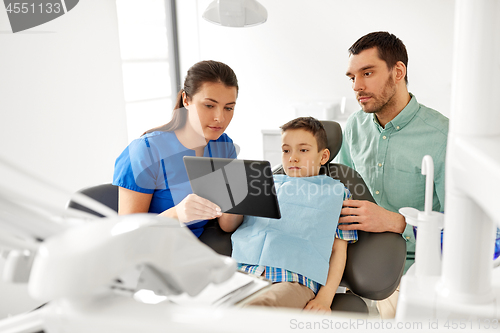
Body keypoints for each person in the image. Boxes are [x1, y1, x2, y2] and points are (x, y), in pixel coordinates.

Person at [337, 31, 449, 317]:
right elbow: (340, 189)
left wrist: (397, 223)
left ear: (398, 71)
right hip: (351, 257)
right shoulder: (354, 126)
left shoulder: (443, 136)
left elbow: (460, 231)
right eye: (352, 77)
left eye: (368, 73)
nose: (357, 86)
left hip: (410, 269)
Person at [219, 117, 357, 312]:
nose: (292, 157)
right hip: (244, 271)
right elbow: (227, 225)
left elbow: (338, 251)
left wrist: (325, 298)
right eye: (286, 150)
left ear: (323, 156)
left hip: (294, 280)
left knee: (257, 308)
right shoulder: (261, 183)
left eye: (303, 150)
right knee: (207, 303)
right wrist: (235, 199)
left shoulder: (338, 195)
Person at [113, 60, 243, 238]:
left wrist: (240, 198)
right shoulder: (146, 150)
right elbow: (127, 234)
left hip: (198, 251)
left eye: (228, 108)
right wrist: (176, 214)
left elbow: (227, 225)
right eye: (209, 105)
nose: (220, 118)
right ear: (186, 100)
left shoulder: (224, 147)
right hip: (152, 253)